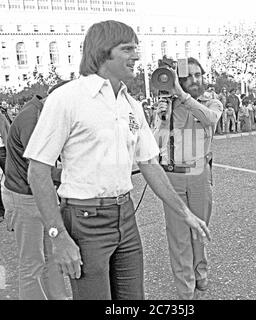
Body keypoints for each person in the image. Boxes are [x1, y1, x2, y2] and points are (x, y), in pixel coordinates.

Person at [23, 20, 210, 300]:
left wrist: (185, 213)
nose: (136, 56)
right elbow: (37, 172)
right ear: (102, 52)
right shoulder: (66, 99)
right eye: (127, 49)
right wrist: (58, 236)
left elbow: (149, 164)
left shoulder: (130, 104)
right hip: (84, 220)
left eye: (136, 48)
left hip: (125, 216)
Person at [153, 57, 222, 299]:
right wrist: (160, 119)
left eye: (199, 74)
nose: (196, 79)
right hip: (173, 176)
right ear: (179, 79)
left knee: (199, 230)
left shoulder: (211, 103)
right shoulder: (167, 105)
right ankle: (186, 288)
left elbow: (210, 120)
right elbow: (154, 144)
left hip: (200, 175)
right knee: (178, 235)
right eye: (189, 75)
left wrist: (182, 96)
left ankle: (200, 271)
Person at [1, 81, 70, 300]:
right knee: (32, 263)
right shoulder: (32, 119)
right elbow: (39, 170)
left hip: (37, 195)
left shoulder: (41, 112)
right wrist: (72, 177)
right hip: (24, 197)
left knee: (53, 256)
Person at [0, 111, 10, 223]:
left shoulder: (1, 116)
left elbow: (8, 130)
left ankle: (12, 211)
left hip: (2, 150)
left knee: (11, 179)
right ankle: (1, 211)